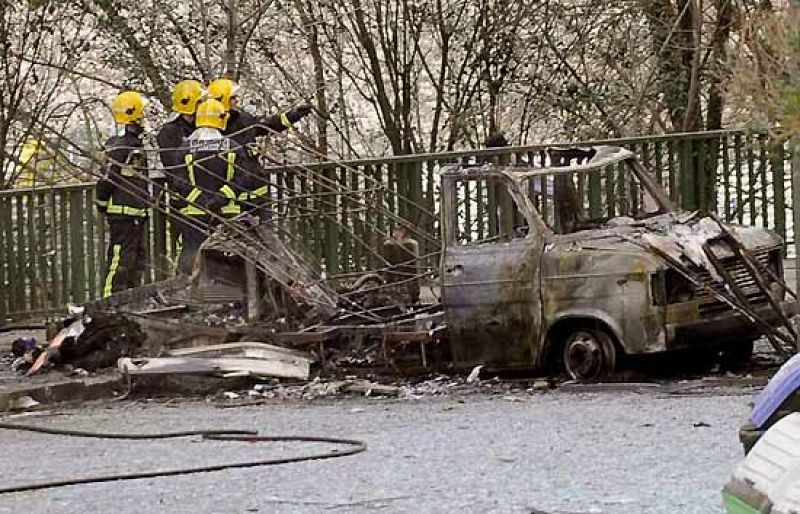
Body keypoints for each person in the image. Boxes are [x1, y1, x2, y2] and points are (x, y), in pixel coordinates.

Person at [173, 98, 258, 275]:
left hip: (195, 214)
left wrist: (201, 200)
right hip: (228, 214)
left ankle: (191, 297)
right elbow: (243, 179)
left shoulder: (185, 149)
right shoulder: (233, 148)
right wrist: (221, 198)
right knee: (229, 259)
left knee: (192, 257)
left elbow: (179, 181)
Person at [206, 78, 313, 204]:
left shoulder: (244, 120)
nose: (237, 101)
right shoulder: (210, 130)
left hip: (257, 193)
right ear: (222, 100)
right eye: (233, 98)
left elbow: (269, 124)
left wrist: (293, 115)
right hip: (229, 198)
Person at [95, 91, 150, 298]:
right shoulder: (120, 147)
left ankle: (130, 302)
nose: (144, 119)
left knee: (136, 261)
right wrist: (101, 203)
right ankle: (108, 304)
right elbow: (107, 180)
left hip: (136, 213)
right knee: (120, 261)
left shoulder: (135, 145)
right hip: (123, 216)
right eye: (141, 114)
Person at [156, 79, 204, 275]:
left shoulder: (202, 128)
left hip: (206, 198)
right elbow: (175, 168)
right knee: (190, 248)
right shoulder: (169, 133)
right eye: (199, 102)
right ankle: (185, 286)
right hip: (185, 200)